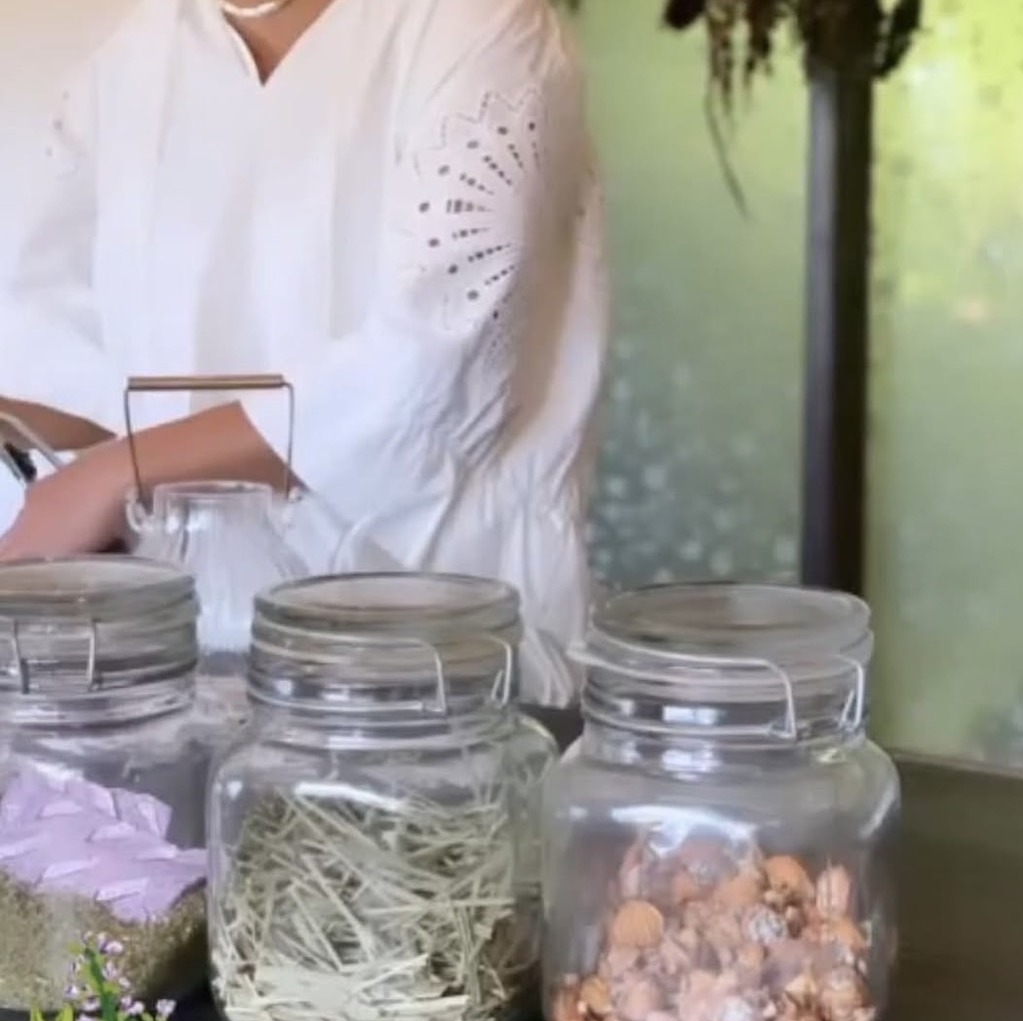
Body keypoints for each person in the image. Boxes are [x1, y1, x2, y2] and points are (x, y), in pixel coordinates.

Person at [0, 0, 608, 705]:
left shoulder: (477, 25)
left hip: (444, 669)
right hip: (186, 666)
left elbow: (427, 374)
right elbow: (61, 348)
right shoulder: (136, 54)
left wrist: (114, 475)